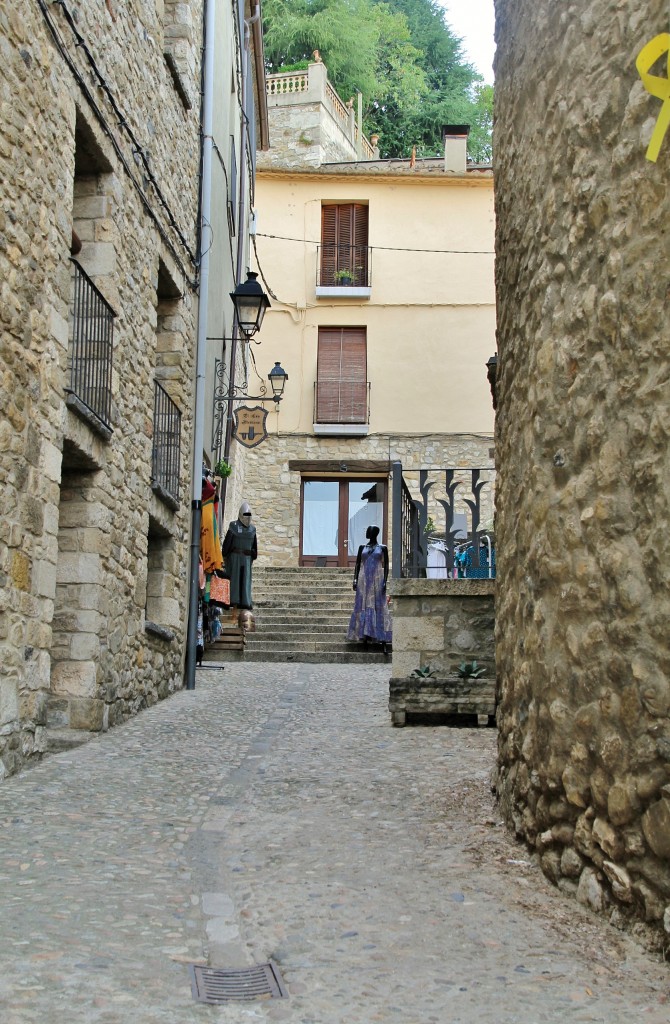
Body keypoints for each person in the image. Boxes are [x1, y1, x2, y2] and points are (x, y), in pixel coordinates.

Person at [347, 525, 392, 653]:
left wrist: (384, 582)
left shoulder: (382, 548)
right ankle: (364, 636)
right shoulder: (363, 548)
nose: (366, 532)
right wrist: (355, 580)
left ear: (374, 533)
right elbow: (357, 565)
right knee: (363, 606)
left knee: (380, 606)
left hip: (377, 578)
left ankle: (382, 638)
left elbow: (386, 566)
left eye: (368, 531)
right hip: (363, 579)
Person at [222, 500, 257, 609]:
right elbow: (227, 545)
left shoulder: (252, 530)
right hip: (235, 559)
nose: (247, 517)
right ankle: (233, 600)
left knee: (245, 580)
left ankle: (245, 601)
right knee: (234, 580)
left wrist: (252, 554)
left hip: (246, 560)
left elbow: (254, 549)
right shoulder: (233, 526)